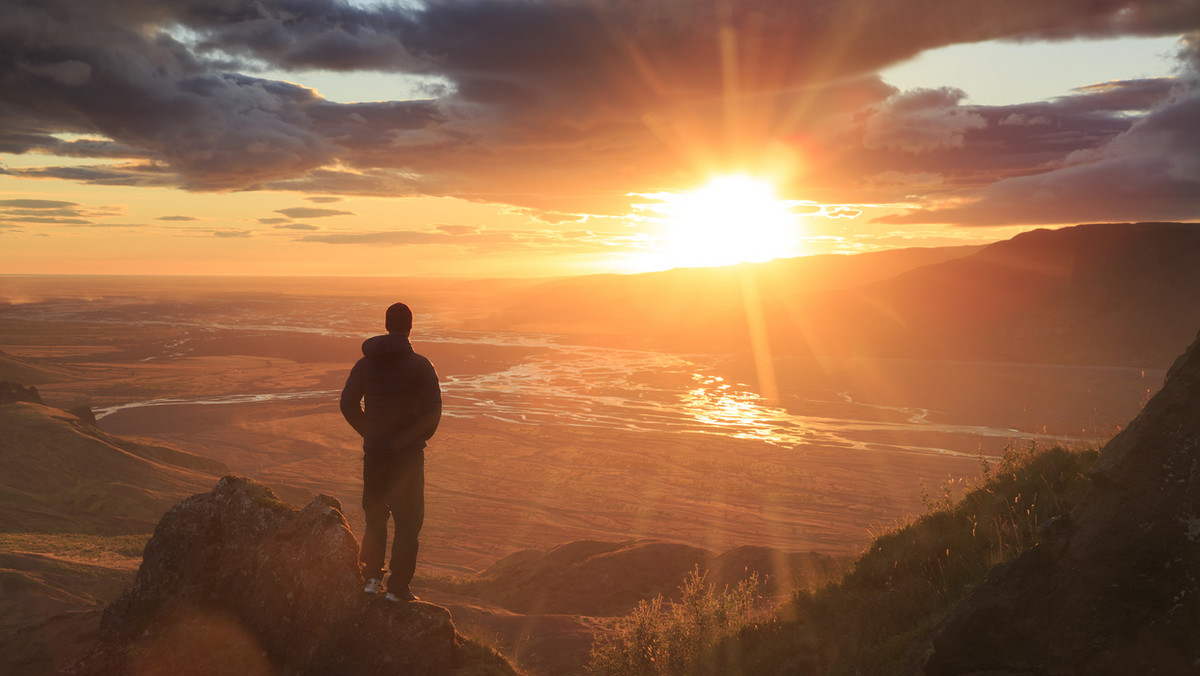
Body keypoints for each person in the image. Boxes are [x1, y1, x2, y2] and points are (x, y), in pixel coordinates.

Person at [340, 302, 441, 603]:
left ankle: (371, 579)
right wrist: (415, 440)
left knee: (375, 517)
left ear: (386, 325)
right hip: (407, 458)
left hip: (375, 455)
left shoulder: (365, 364)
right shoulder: (421, 365)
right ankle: (397, 589)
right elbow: (433, 412)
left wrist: (371, 433)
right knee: (408, 523)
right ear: (411, 327)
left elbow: (347, 404)